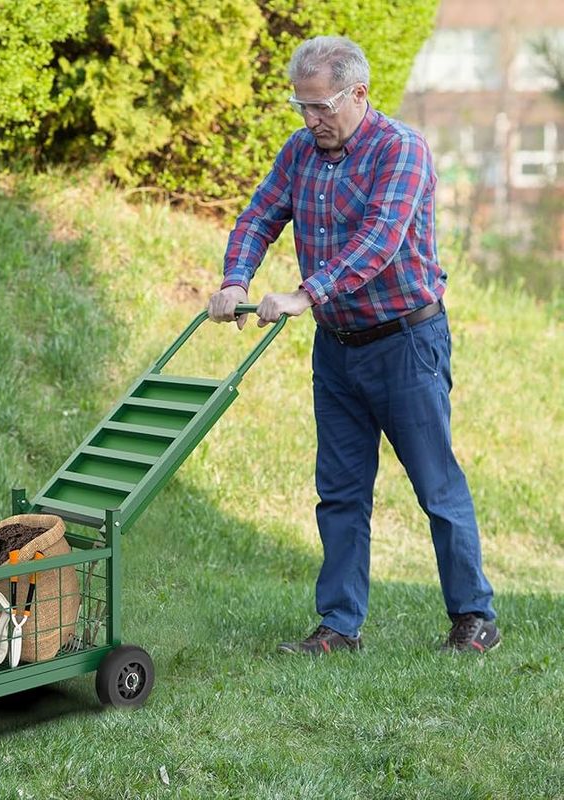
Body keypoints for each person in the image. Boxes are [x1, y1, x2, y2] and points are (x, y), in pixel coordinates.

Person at [207, 35, 499, 655]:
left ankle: (474, 618)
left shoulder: (402, 151)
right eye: (302, 107)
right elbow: (259, 215)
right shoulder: (300, 153)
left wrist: (302, 294)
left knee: (436, 486)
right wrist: (236, 279)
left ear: (358, 93)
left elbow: (380, 241)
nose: (311, 120)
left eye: (321, 107)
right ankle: (340, 626)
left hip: (406, 343)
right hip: (338, 349)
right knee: (340, 491)